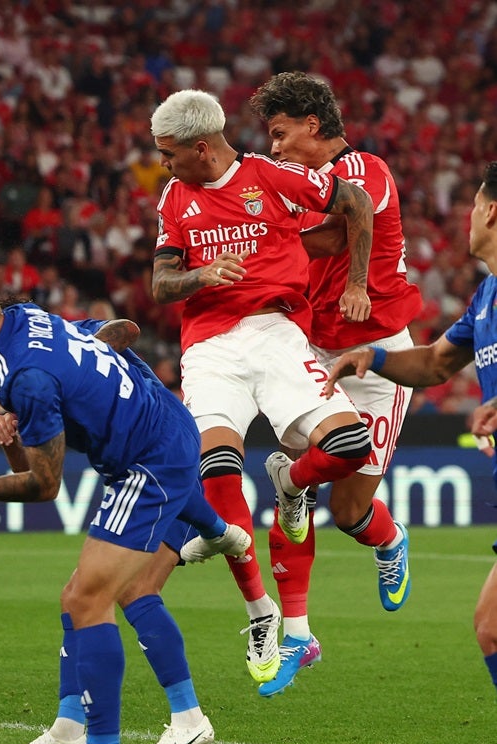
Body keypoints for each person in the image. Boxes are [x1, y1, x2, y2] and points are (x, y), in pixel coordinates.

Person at [0, 266, 246, 744]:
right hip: (156, 431)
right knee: (79, 595)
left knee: (90, 597)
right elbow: (105, 335)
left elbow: (45, 487)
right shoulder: (24, 319)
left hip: (150, 459)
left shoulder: (25, 376)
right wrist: (19, 436)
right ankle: (70, 730)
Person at [149, 89, 379, 687]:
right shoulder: (175, 197)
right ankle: (260, 612)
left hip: (277, 333)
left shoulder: (269, 176)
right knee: (219, 477)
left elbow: (356, 202)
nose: (163, 163)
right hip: (209, 349)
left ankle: (291, 481)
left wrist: (356, 283)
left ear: (203, 147)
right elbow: (161, 283)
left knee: (350, 445)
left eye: (169, 153)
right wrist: (201, 274)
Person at [246, 72, 421, 694]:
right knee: (293, 488)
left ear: (312, 125)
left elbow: (337, 231)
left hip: (377, 356)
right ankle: (298, 634)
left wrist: (352, 282)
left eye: (280, 133)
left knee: (349, 512)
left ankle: (389, 539)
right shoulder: (296, 184)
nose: (274, 148)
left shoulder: (365, 169)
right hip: (316, 351)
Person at [323, 160, 497, 702]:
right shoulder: (486, 298)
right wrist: (373, 357)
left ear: (492, 212)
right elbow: (434, 364)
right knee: (491, 628)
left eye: (473, 205)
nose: (467, 217)